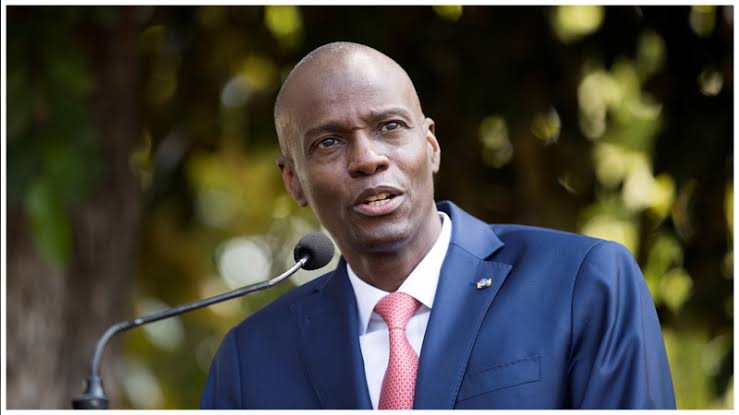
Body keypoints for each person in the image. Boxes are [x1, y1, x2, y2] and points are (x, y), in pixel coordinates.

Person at [200, 42, 675, 409]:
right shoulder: (251, 359)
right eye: (329, 142)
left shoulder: (582, 282)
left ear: (430, 146)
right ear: (293, 180)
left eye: (390, 127)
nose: (367, 158)